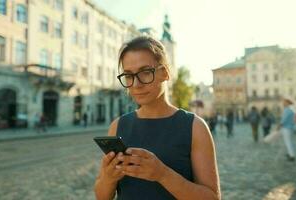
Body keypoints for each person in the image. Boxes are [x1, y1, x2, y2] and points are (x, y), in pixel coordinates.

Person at [94, 36, 220, 200]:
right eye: (129, 76)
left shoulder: (194, 127)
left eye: (146, 72)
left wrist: (162, 174)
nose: (136, 84)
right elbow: (101, 196)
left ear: (165, 73)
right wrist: (108, 178)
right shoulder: (118, 126)